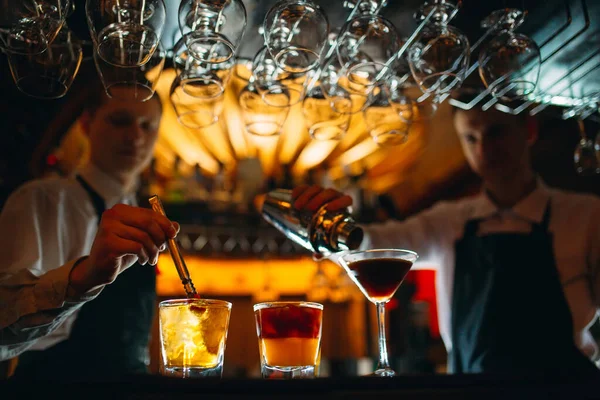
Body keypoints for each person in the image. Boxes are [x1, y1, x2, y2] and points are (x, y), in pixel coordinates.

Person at [292, 99, 600, 375]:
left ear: (529, 129)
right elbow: (376, 244)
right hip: (470, 394)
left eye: (496, 133)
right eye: (470, 137)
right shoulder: (448, 220)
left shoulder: (586, 215)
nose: (483, 149)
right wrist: (329, 227)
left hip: (566, 391)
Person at [0, 84, 177, 379]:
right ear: (86, 123)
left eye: (148, 126)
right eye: (120, 121)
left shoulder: (148, 214)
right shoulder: (41, 200)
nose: (135, 136)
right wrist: (81, 278)